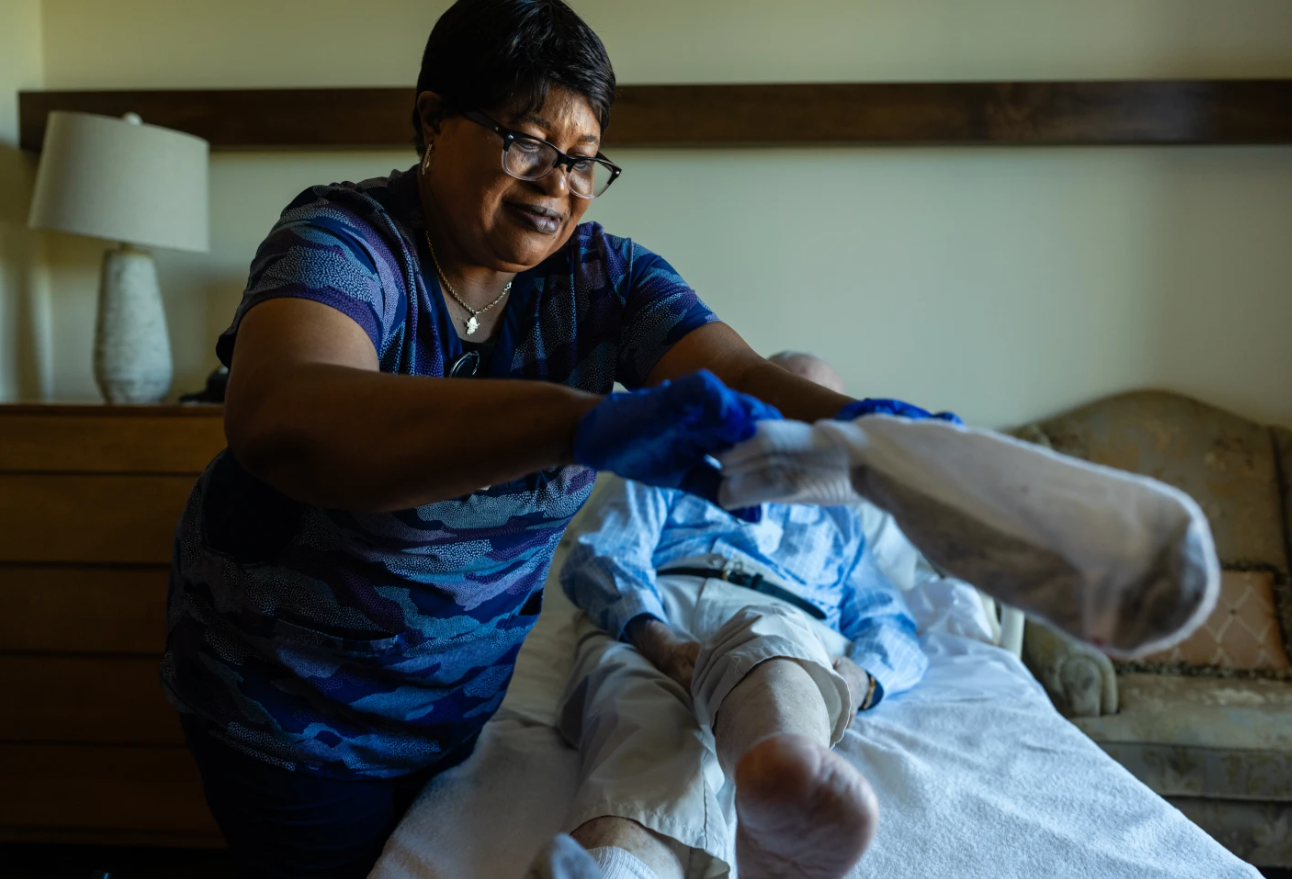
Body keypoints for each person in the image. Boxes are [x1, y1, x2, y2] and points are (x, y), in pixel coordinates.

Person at [158, 4, 906, 877]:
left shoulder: (608, 278)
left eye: (585, 159)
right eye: (526, 140)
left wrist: (885, 440)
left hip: (454, 709)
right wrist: (573, 421)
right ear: (434, 121)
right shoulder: (344, 242)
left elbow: (739, 373)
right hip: (290, 714)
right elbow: (284, 418)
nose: (559, 182)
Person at [557, 355, 928, 879]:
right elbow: (602, 554)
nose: (792, 429)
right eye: (781, 407)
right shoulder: (676, 463)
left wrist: (861, 678)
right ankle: (623, 866)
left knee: (773, 643)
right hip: (662, 609)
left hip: (789, 616)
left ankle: (787, 789)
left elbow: (893, 626)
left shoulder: (842, 523)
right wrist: (659, 642)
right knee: (644, 725)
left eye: (812, 421)